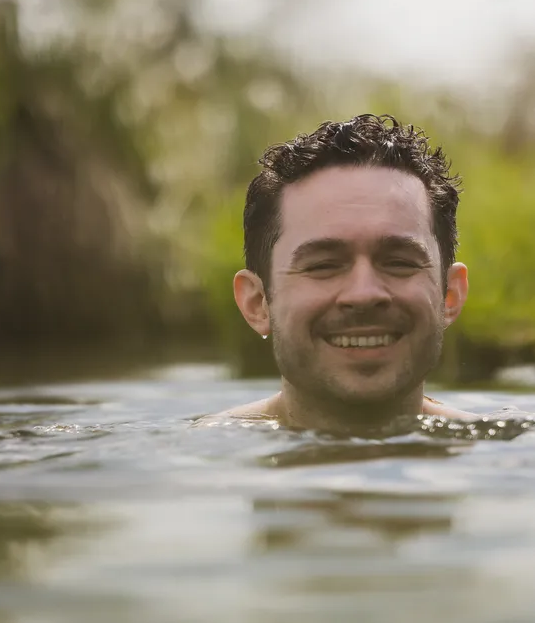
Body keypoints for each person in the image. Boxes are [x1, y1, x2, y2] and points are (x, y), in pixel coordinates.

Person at [202, 114, 480, 435]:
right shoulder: (200, 467)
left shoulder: (503, 458)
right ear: (257, 303)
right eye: (323, 266)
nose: (364, 294)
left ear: (450, 294)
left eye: (399, 262)